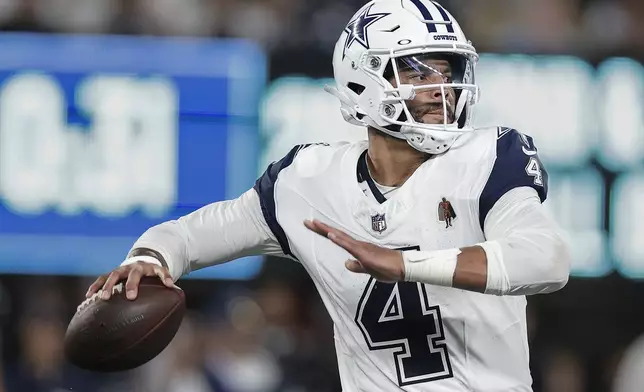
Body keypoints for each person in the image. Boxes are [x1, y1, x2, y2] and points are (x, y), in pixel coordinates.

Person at [86, 0, 571, 390]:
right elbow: (196, 234)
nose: (440, 90)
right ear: (363, 78)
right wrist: (150, 255)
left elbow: (545, 260)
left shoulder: (490, 155)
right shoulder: (309, 180)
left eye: (446, 72)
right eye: (419, 73)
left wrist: (405, 265)